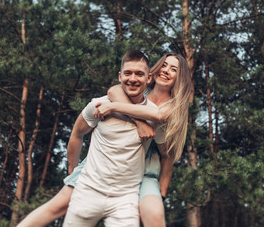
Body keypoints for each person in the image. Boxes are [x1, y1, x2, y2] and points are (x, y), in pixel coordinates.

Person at [17, 52, 191, 227]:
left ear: (180, 78)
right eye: (164, 65)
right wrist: (139, 123)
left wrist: (162, 191)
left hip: (145, 167)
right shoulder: (138, 86)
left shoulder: (172, 108)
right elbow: (113, 90)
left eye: (173, 69)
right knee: (60, 205)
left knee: (154, 215)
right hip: (105, 161)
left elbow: (167, 151)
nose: (166, 70)